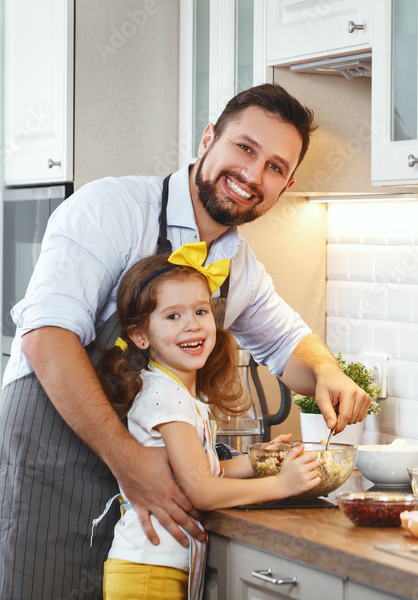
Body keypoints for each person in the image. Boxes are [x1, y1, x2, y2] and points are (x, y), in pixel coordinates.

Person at [0, 83, 372, 600]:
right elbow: (46, 339)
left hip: (140, 537)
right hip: (40, 501)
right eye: (244, 148)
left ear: (286, 186)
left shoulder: (236, 265)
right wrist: (130, 462)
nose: (252, 175)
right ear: (208, 139)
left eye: (274, 167)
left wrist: (330, 374)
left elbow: (291, 344)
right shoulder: (112, 208)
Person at [97, 246, 320, 599]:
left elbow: (200, 471)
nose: (192, 324)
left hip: (152, 569)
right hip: (147, 576)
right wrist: (283, 485)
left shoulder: (176, 391)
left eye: (201, 310)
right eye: (172, 316)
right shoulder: (166, 397)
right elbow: (200, 489)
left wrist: (257, 461)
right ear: (141, 336)